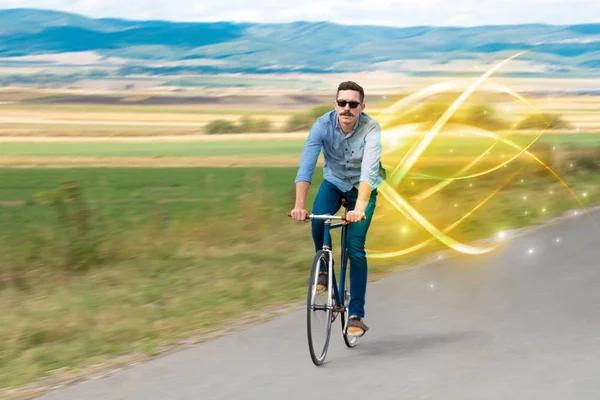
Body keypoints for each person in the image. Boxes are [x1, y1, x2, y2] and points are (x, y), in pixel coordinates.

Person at [289, 81, 386, 337]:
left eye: (353, 104)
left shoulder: (371, 129)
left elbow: (369, 173)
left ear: (361, 107)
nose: (346, 108)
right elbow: (306, 166)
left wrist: (360, 208)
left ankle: (356, 314)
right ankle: (324, 272)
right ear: (335, 105)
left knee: (355, 247)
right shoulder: (322, 125)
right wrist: (299, 206)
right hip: (334, 182)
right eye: (342, 103)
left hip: (362, 189)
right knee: (318, 222)